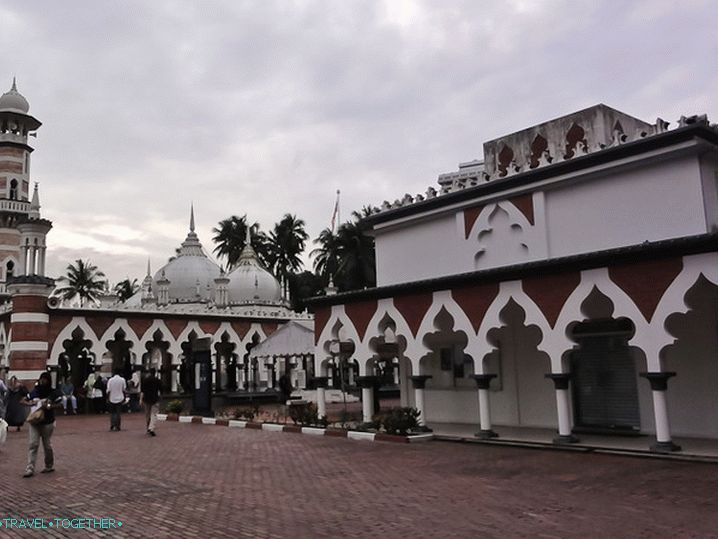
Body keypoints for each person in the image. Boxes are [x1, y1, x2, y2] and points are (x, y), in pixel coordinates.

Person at [23, 372, 62, 478]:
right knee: (33, 444)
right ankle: (30, 467)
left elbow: (59, 404)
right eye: (41, 379)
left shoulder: (53, 392)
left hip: (48, 422)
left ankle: (49, 465)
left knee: (47, 445)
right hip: (35, 421)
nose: (42, 381)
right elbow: (23, 400)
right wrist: (30, 403)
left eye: (45, 379)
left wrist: (50, 406)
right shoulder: (35, 392)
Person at [140, 368, 161, 436]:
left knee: (147, 414)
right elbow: (160, 390)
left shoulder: (145, 380)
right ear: (155, 373)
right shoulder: (157, 380)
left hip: (146, 399)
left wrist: (140, 399)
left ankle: (148, 427)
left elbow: (142, 391)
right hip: (155, 399)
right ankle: (151, 428)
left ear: (149, 373)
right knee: (154, 414)